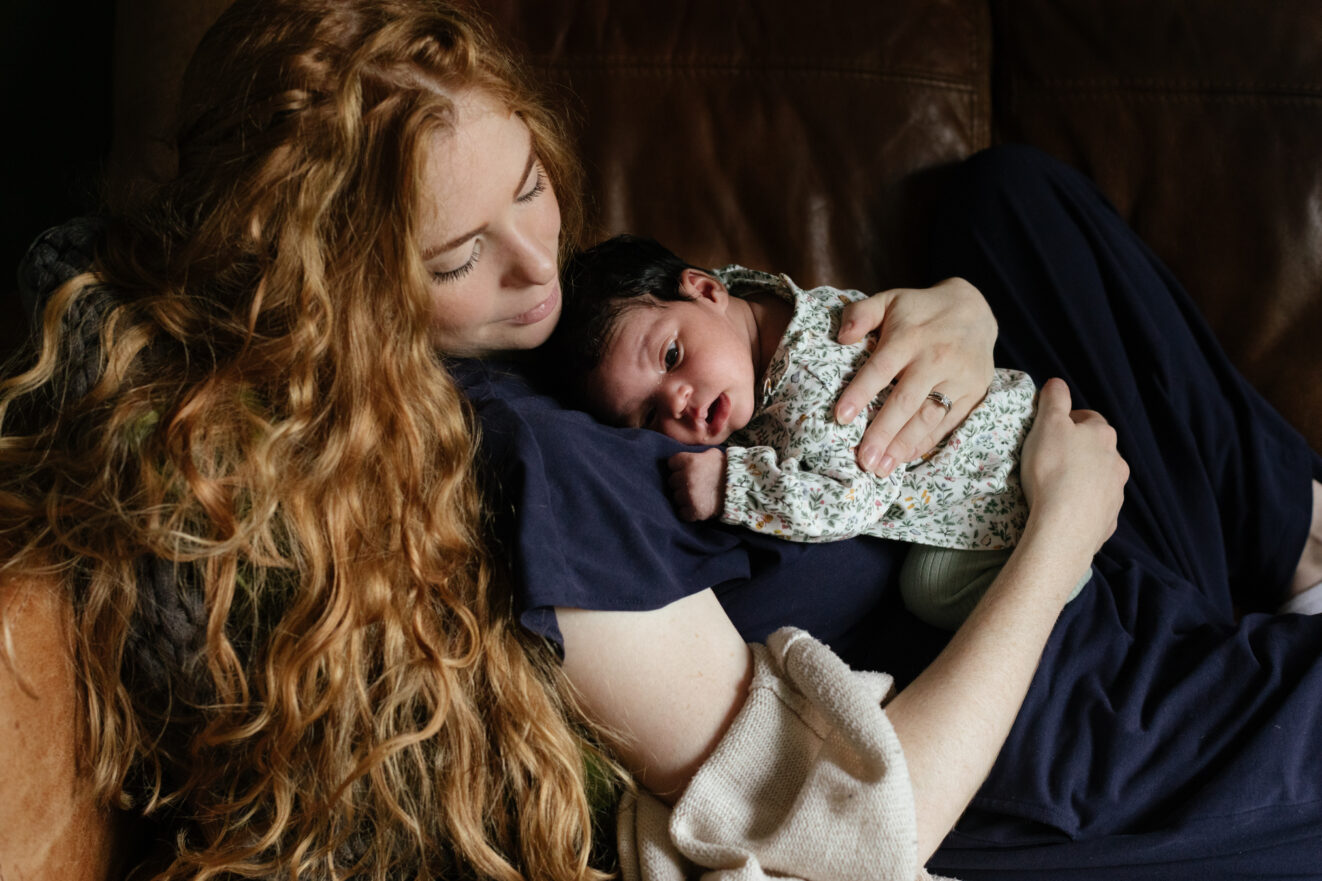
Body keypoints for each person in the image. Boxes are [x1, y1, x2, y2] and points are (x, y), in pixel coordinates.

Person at [6, 3, 1322, 881]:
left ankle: (1299, 546)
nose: (536, 269)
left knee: (1004, 202)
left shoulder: (544, 342)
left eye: (532, 185)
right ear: (342, 288)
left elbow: (729, 328)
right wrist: (1059, 530)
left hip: (998, 522)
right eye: (462, 256)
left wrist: (959, 328)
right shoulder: (532, 466)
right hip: (1068, 705)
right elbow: (853, 834)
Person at [544, 233, 1089, 629]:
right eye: (645, 417)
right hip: (1019, 429)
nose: (678, 403)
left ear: (707, 291)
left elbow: (853, 499)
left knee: (929, 591)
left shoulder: (812, 391)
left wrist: (732, 486)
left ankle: (1072, 577)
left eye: (671, 355)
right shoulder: (765, 311)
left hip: (1007, 490)